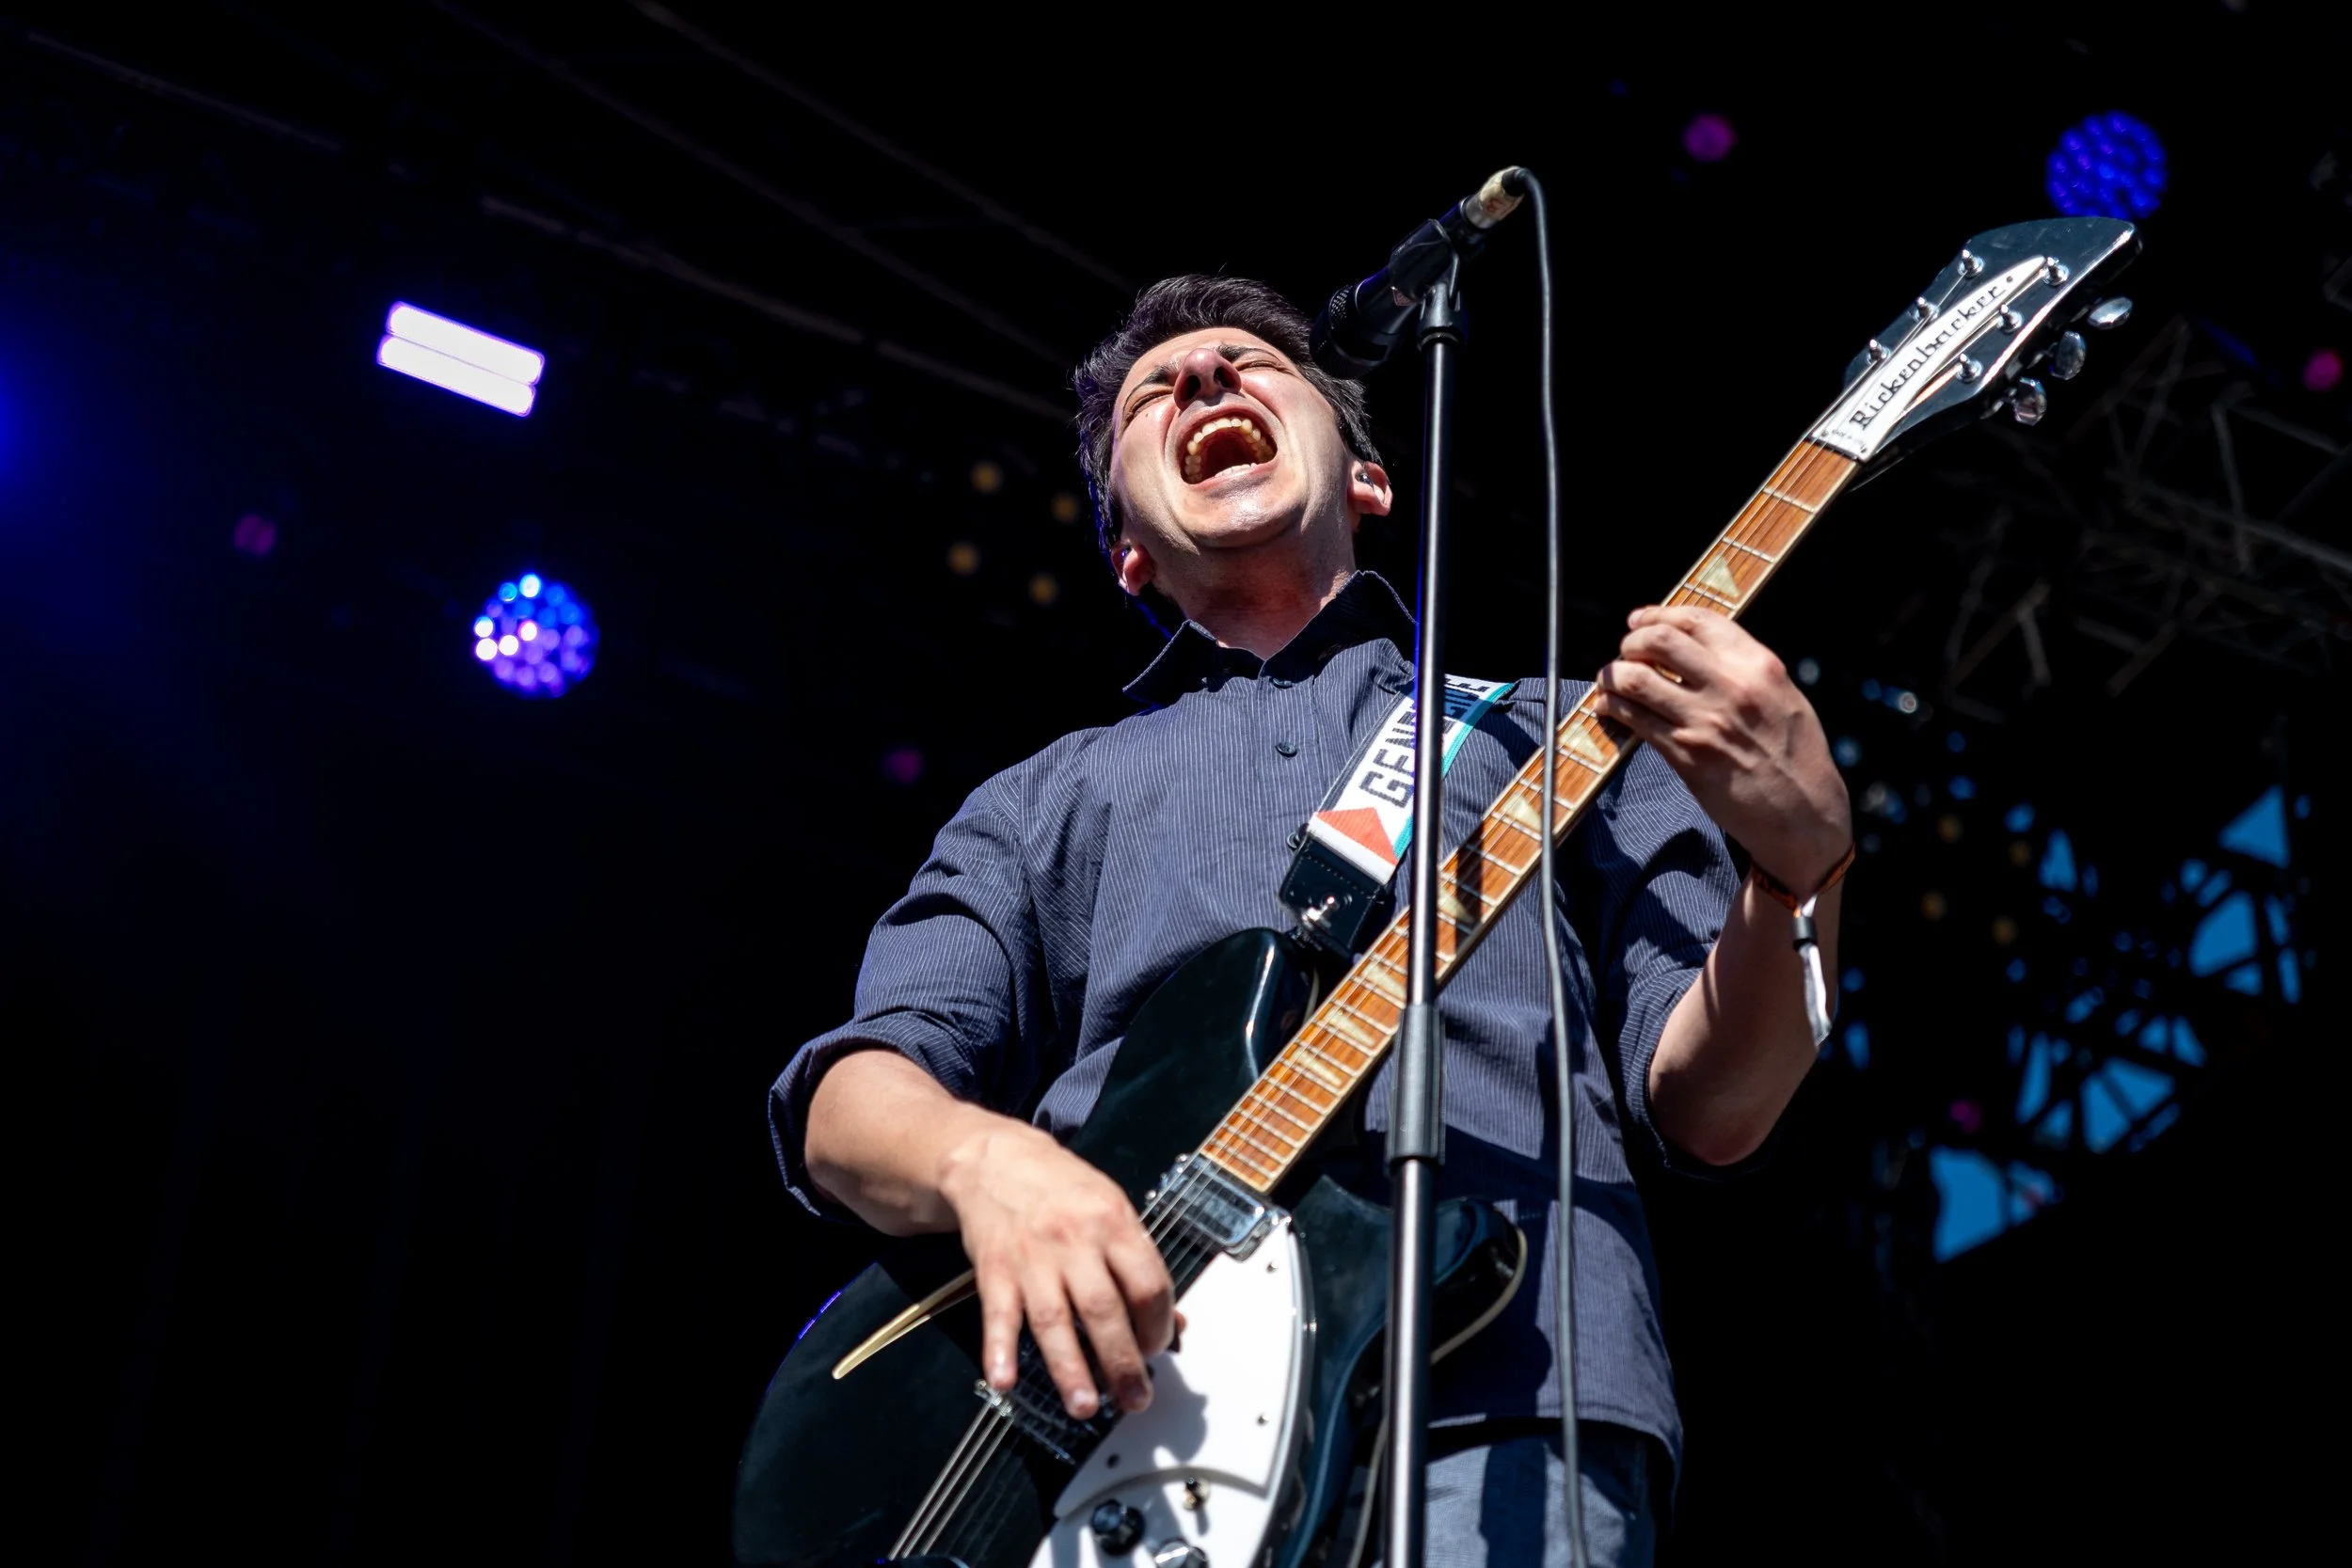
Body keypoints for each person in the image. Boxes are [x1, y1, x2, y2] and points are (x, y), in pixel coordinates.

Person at [768, 276, 1851, 1566]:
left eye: (1246, 363)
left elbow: (1715, 1106)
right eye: (1155, 392)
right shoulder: (1048, 796)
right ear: (1126, 547)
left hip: (1498, 1408)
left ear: (1371, 482)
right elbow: (850, 1099)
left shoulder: (1569, 735)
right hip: (1117, 1451)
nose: (1207, 383)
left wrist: (1801, 871)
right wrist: (989, 1169)